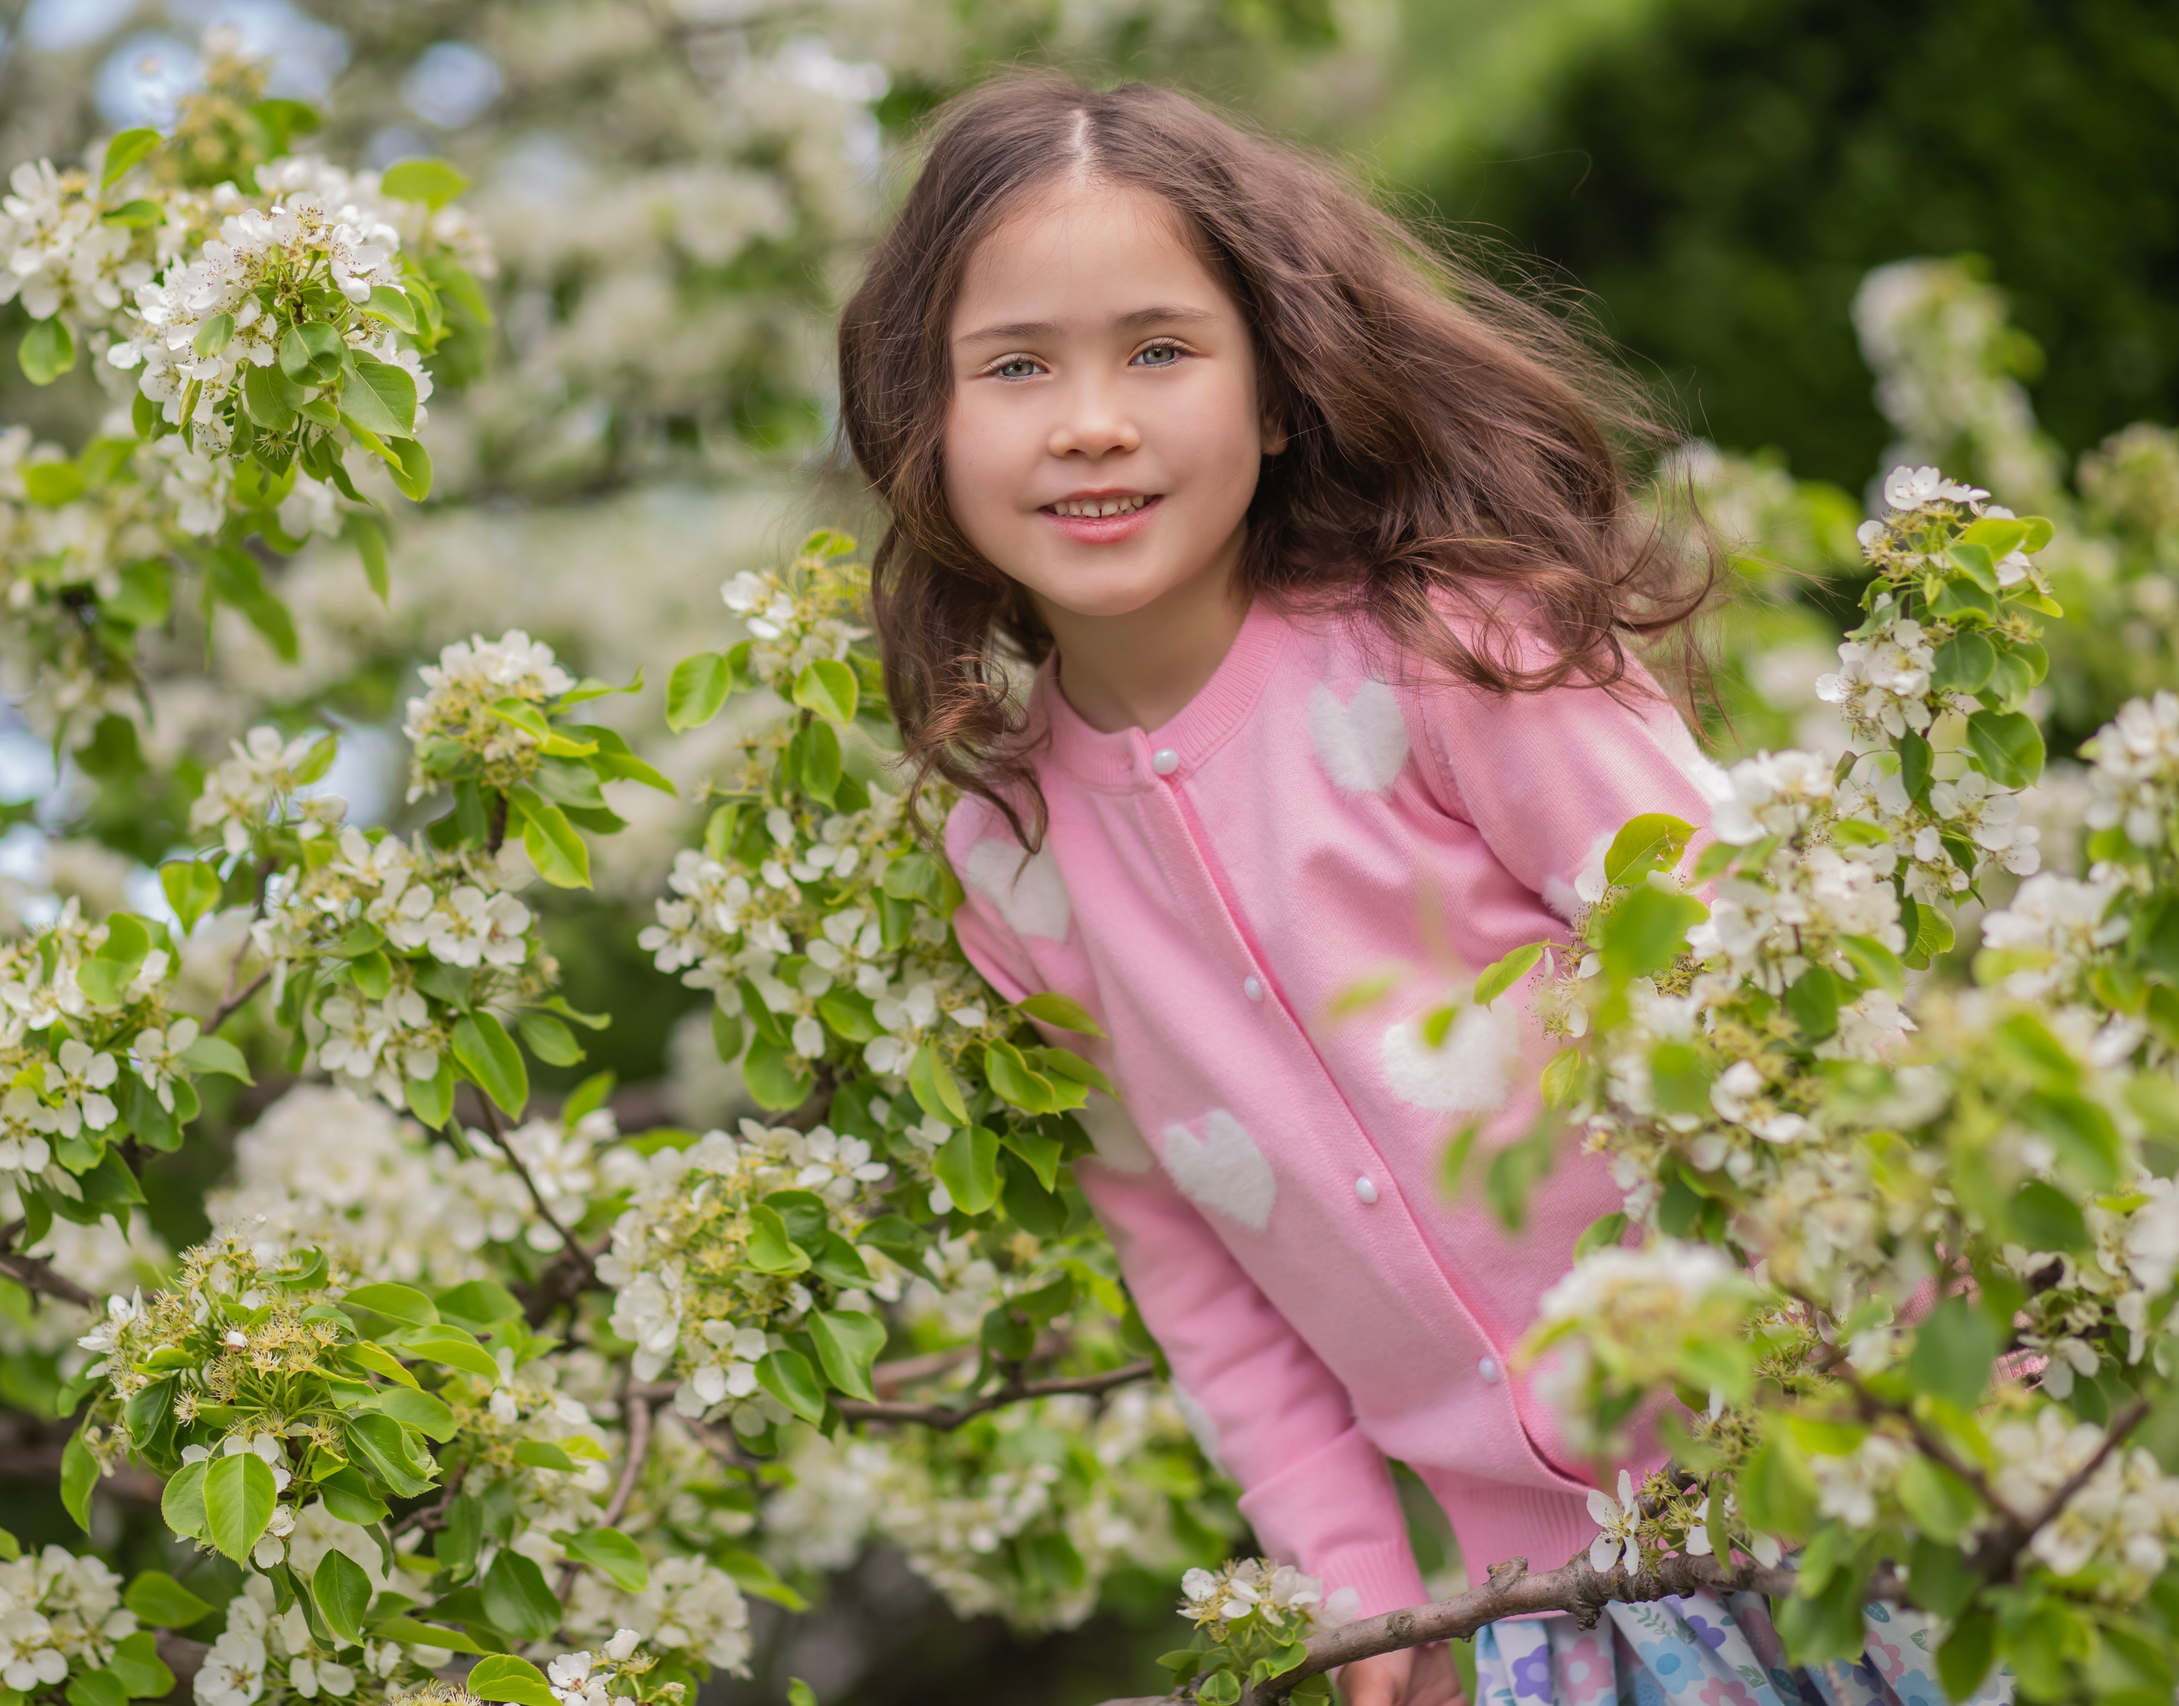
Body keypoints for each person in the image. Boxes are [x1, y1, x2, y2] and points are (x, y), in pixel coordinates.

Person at [836, 77, 1995, 1706]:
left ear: (1280, 395)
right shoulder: (1010, 863)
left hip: (1869, 1450)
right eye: (1015, 365)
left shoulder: (1460, 648)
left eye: (1160, 351)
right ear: (922, 425)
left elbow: (1780, 985)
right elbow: (1195, 1271)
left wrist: (1971, 1341)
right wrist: (1359, 1590)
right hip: (1563, 1608)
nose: (1089, 418)